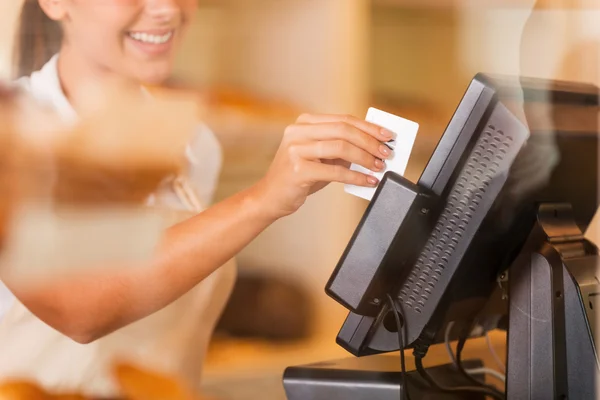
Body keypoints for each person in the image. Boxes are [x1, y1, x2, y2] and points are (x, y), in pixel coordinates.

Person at [0, 0, 394, 397]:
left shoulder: (194, 145)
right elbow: (81, 307)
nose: (168, 9)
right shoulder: (9, 135)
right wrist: (263, 199)